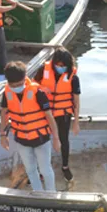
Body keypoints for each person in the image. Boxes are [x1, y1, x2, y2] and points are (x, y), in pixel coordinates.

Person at [0, 61, 60, 192]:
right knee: (30, 169)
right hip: (22, 140)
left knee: (45, 169)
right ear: (8, 82)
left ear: (25, 78)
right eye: (14, 85)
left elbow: (49, 116)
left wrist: (56, 138)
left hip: (41, 139)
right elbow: (3, 113)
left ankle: (51, 195)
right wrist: (3, 135)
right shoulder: (7, 92)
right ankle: (38, 193)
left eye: (20, 84)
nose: (17, 87)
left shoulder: (38, 92)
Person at [34, 46, 81, 182]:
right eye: (58, 65)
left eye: (64, 66)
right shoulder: (44, 70)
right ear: (54, 62)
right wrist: (42, 87)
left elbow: (76, 102)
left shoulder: (73, 77)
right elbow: (32, 85)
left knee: (64, 140)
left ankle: (65, 166)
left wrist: (76, 122)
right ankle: (43, 169)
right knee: (43, 141)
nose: (61, 67)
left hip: (63, 114)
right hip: (45, 112)